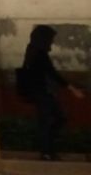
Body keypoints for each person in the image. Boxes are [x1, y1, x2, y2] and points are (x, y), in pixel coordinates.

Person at [20, 24, 85, 161]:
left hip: (39, 93)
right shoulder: (39, 54)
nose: (52, 42)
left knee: (50, 121)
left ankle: (47, 151)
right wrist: (72, 89)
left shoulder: (31, 50)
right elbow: (52, 74)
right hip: (43, 94)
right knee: (52, 120)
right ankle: (47, 152)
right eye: (50, 39)